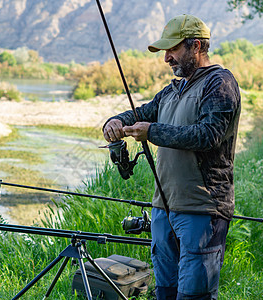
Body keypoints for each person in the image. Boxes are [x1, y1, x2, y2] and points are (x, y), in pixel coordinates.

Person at [102, 14, 241, 300]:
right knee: (165, 293)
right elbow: (140, 113)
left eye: (173, 49)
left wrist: (151, 132)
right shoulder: (172, 90)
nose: (167, 57)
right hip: (163, 209)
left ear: (197, 46)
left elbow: (207, 135)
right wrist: (114, 121)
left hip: (203, 209)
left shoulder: (220, 83)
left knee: (194, 296)